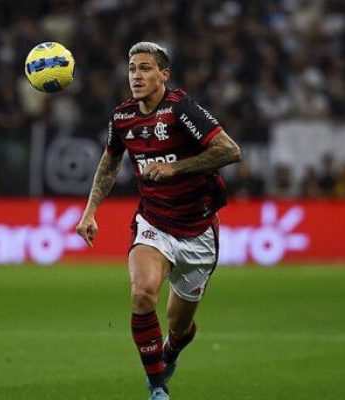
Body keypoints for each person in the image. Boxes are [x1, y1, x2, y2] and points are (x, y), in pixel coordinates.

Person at [75, 42, 241, 400]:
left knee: (180, 326)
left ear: (163, 75)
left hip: (197, 231)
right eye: (133, 68)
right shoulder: (122, 117)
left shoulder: (181, 109)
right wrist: (90, 211)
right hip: (154, 224)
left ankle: (172, 351)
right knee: (142, 293)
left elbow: (230, 151)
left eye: (146, 68)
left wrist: (176, 167)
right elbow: (109, 163)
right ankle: (157, 387)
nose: (136, 75)